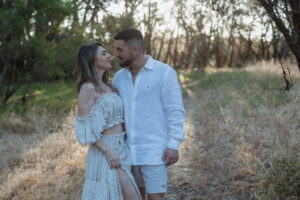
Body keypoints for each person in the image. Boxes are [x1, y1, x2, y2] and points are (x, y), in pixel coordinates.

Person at [112, 28, 186, 200]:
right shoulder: (118, 78)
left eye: (119, 49)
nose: (115, 54)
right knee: (134, 197)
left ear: (135, 50)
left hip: (154, 151)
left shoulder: (164, 73)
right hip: (127, 153)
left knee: (155, 197)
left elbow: (175, 111)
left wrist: (173, 144)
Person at [74, 42, 142, 200]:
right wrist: (108, 151)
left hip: (121, 149)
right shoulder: (88, 89)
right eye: (103, 53)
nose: (109, 56)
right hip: (105, 153)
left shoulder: (110, 86)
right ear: (92, 60)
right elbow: (85, 130)